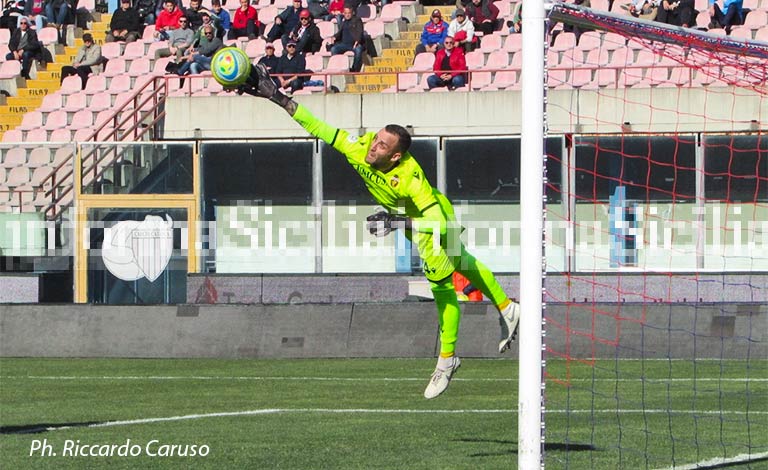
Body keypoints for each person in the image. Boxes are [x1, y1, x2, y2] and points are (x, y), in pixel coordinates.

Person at [228, 64, 521, 399]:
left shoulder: (410, 178)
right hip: (422, 217)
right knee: (463, 261)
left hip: (431, 219)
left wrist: (399, 222)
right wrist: (279, 98)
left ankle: (447, 359)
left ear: (395, 157)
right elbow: (319, 127)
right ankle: (507, 307)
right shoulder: (360, 147)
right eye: (376, 139)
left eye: (382, 146)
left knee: (441, 288)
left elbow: (437, 224)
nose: (372, 146)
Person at [328, 6, 364, 72]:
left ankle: (355, 69)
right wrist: (334, 37)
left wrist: (357, 41)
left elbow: (360, 31)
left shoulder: (357, 20)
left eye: (349, 13)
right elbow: (340, 32)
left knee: (358, 50)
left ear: (352, 13)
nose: (347, 15)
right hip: (344, 44)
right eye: (345, 13)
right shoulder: (344, 22)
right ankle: (338, 67)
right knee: (334, 49)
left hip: (354, 44)